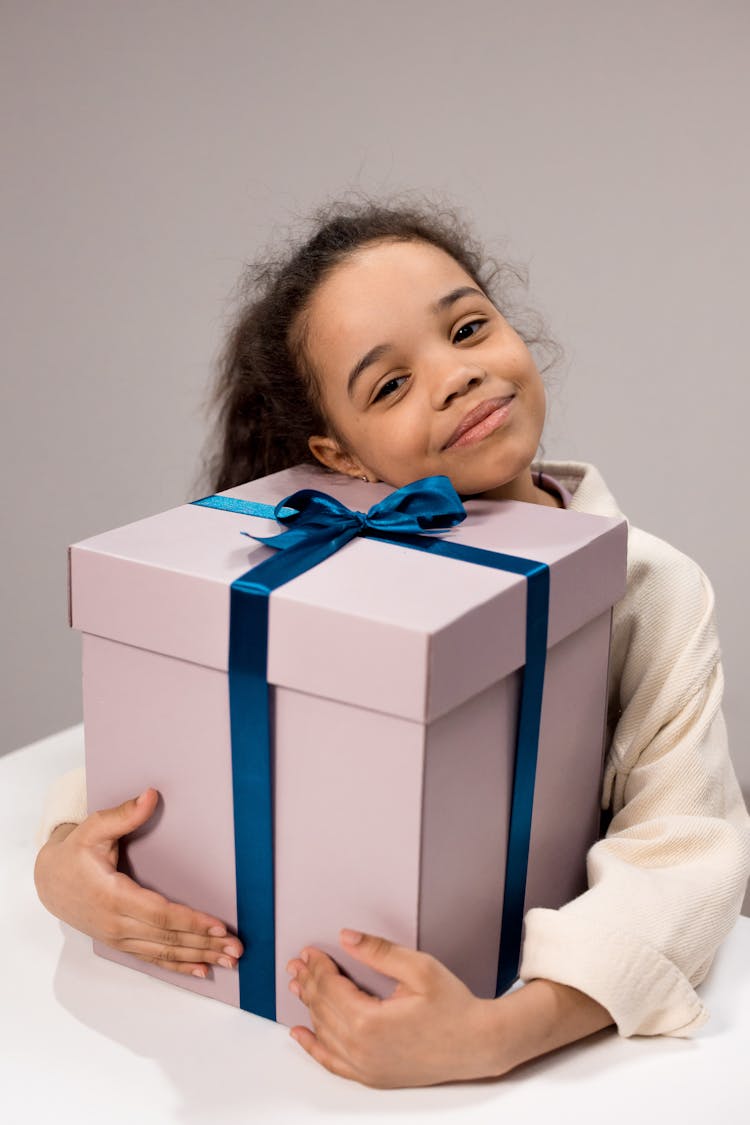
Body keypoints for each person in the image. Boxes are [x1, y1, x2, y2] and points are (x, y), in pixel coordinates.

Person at [34, 195, 750, 1089]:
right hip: (244, 1038)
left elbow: (686, 852)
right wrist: (61, 859)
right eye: (390, 384)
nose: (453, 376)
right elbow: (166, 743)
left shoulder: (650, 582)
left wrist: (497, 1036)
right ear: (340, 457)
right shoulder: (326, 587)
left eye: (469, 327)